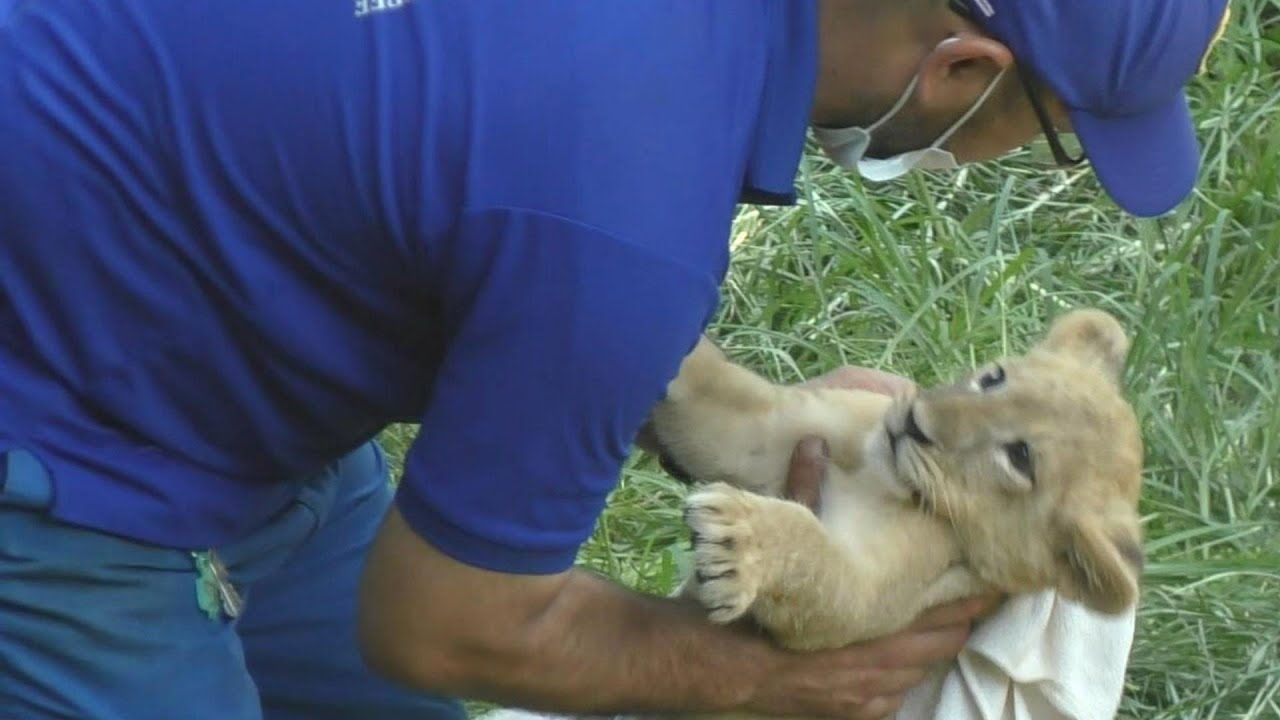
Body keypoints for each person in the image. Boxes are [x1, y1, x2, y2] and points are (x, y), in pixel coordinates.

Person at [0, 1, 1230, 719]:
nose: (991, 157)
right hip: (70, 447)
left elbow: (498, 195)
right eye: (1040, 139)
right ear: (961, 72)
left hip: (155, 247)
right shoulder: (622, 205)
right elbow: (439, 627)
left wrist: (759, 415)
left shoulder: (641, 110)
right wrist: (757, 679)